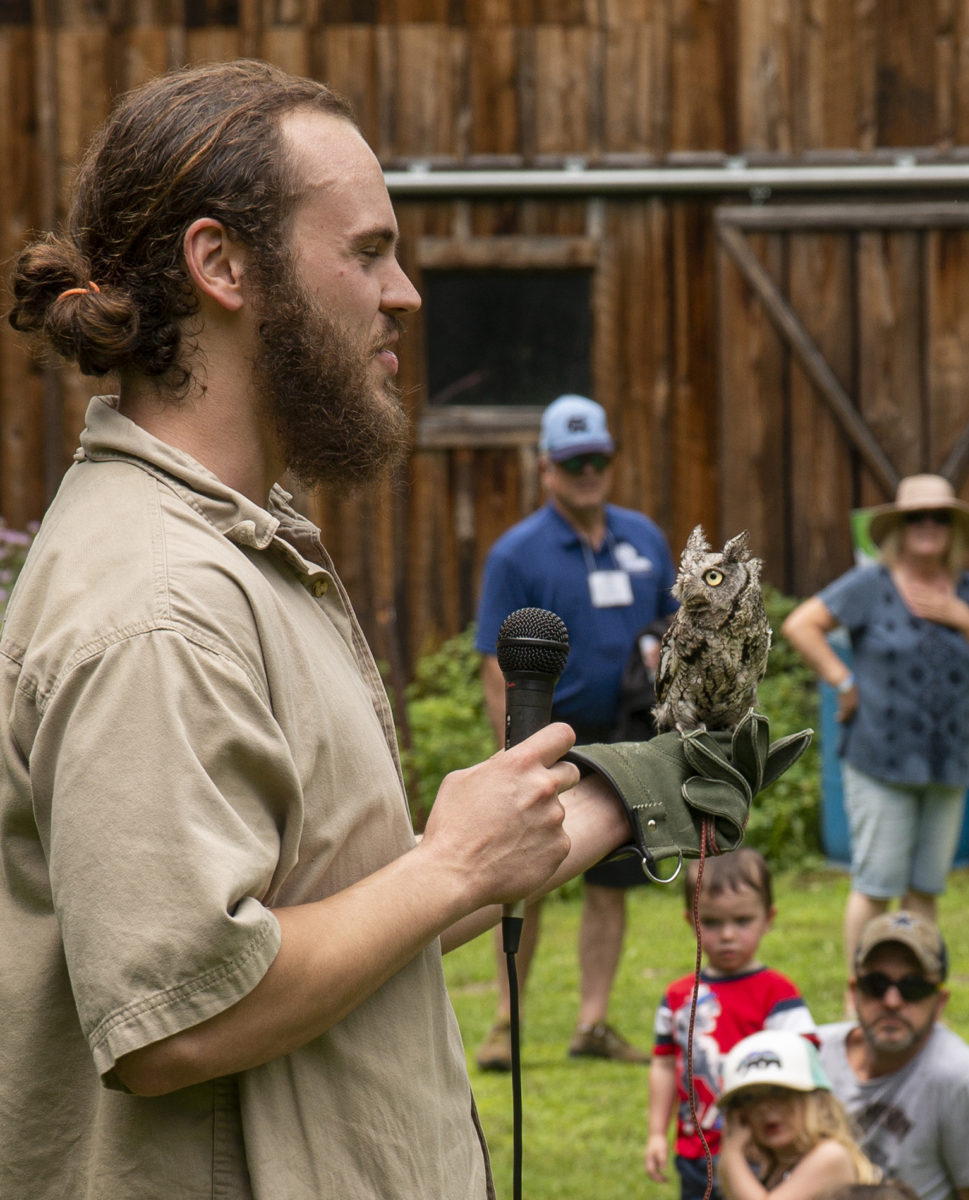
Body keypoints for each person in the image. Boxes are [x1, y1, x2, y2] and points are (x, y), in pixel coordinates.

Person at [0, 60, 646, 1199]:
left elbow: (328, 920)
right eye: (365, 250)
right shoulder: (159, 603)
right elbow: (174, 1024)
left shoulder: (249, 549)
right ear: (222, 265)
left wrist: (635, 789)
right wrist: (448, 866)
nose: (404, 292)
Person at [473, 393, 679, 1069]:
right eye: (573, 461)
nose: (588, 471)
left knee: (610, 880)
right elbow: (493, 664)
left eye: (598, 458)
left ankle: (591, 1023)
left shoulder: (642, 536)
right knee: (524, 876)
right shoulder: (518, 553)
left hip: (626, 734)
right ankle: (507, 1021)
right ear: (546, 469)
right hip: (549, 735)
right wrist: (515, 752)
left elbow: (674, 630)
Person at [781, 475, 969, 988]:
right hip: (879, 760)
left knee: (925, 888)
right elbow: (801, 624)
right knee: (876, 884)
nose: (929, 526)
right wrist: (842, 681)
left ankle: (918, 994)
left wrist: (962, 618)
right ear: (899, 529)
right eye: (917, 518)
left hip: (949, 763)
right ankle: (857, 995)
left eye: (939, 518)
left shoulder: (967, 589)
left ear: (952, 529)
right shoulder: (872, 584)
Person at [645, 848, 818, 1200]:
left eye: (742, 921)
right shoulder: (678, 997)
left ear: (768, 918)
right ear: (691, 921)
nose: (727, 935)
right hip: (694, 1154)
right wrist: (655, 1133)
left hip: (761, 1151)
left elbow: (805, 1069)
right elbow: (664, 1064)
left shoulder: (778, 994)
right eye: (711, 922)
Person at [818, 911, 969, 1200]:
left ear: (940, 1002)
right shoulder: (812, 1052)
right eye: (876, 985)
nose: (892, 1001)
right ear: (853, 992)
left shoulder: (965, 1083)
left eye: (913, 988)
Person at [716, 1029, 879, 1199]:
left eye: (778, 1091)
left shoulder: (830, 1155)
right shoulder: (776, 1164)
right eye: (749, 1098)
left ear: (814, 1100)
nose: (764, 1107)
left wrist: (732, 1151)